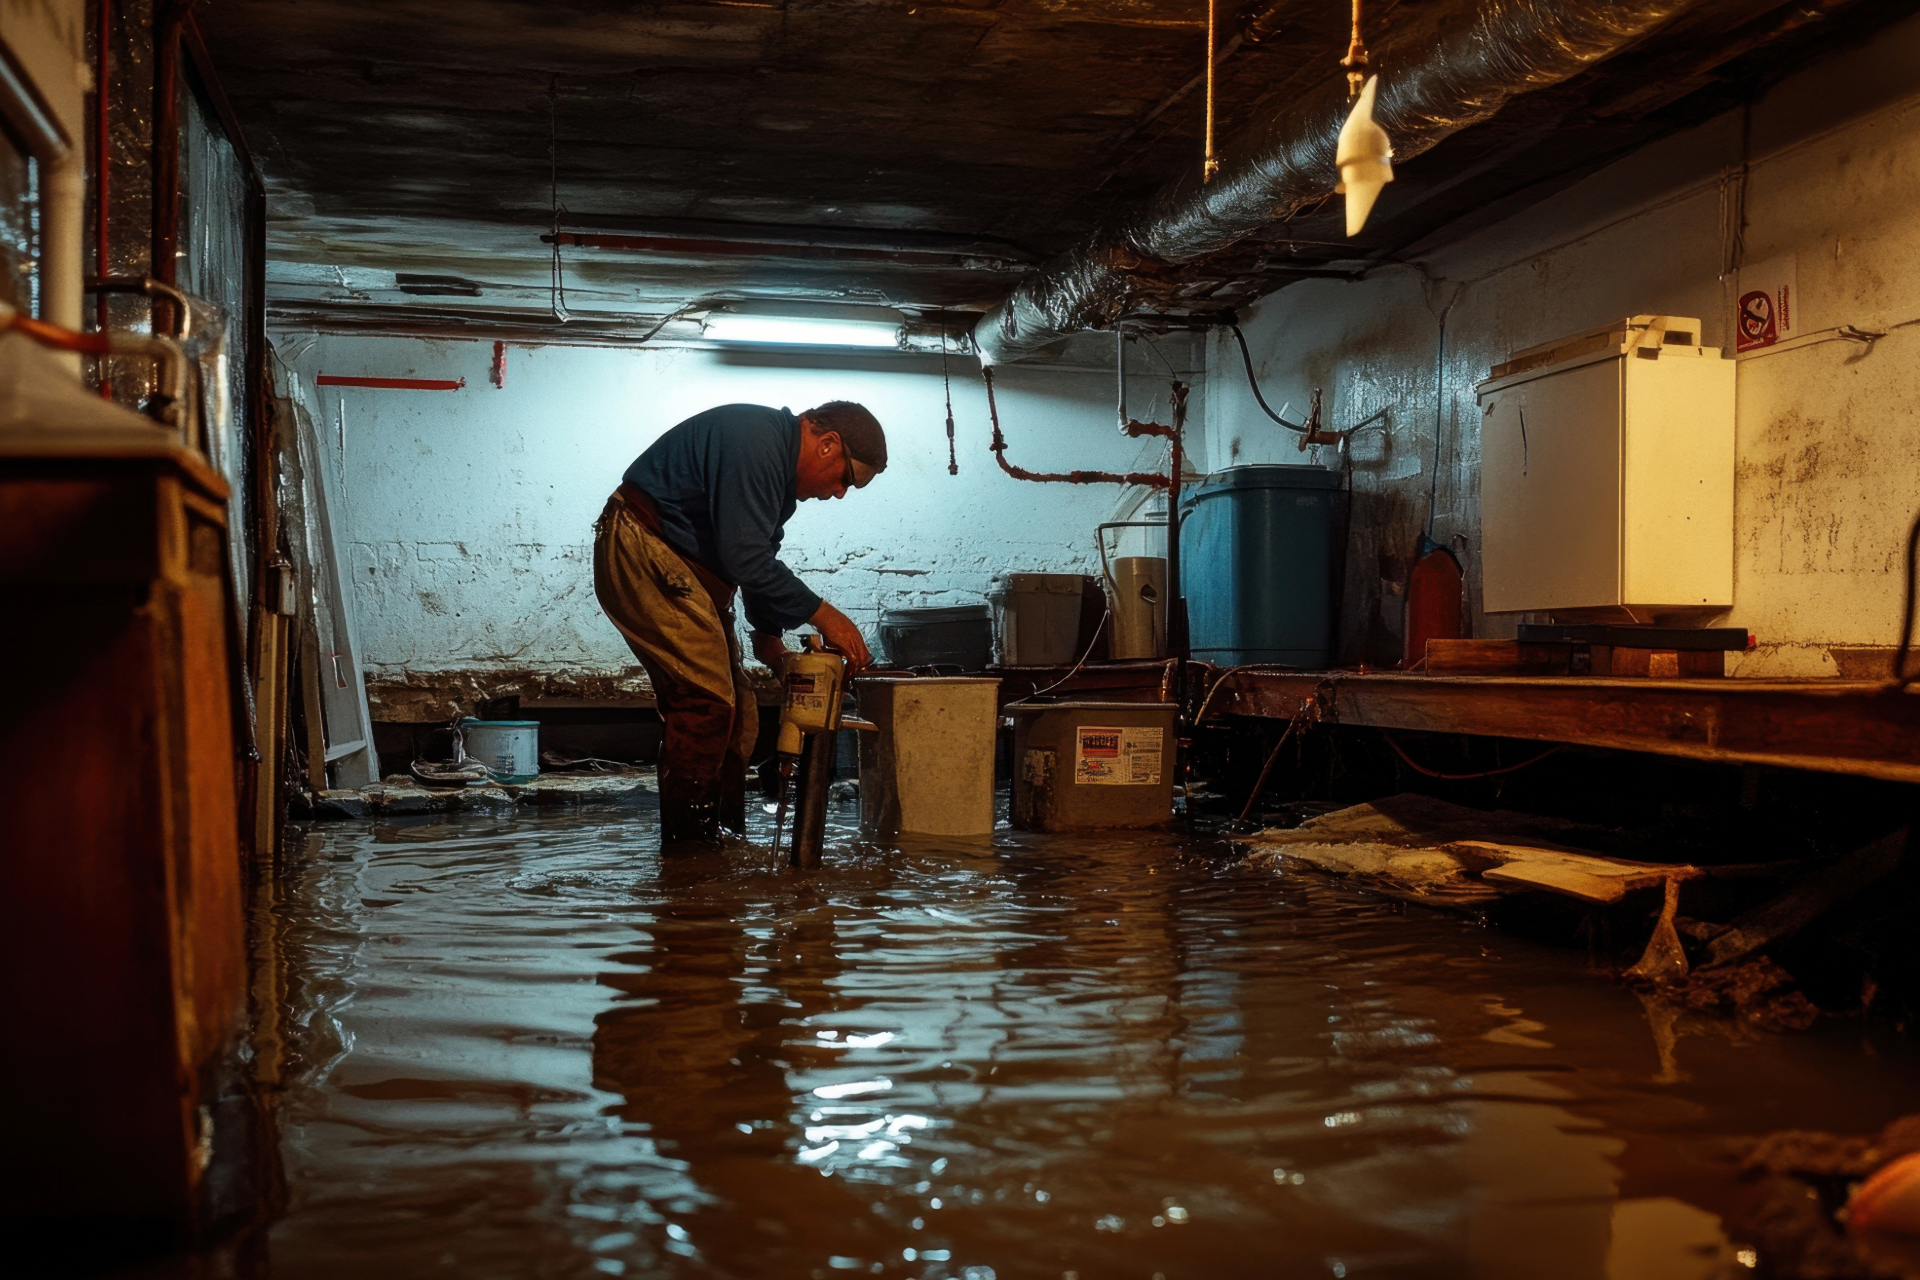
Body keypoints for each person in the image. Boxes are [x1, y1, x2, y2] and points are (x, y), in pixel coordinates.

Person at [594, 401, 883, 850]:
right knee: (706, 702)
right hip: (645, 544)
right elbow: (744, 556)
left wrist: (768, 639)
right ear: (827, 444)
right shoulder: (758, 440)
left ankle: (722, 837)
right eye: (846, 478)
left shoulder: (773, 472)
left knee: (739, 715)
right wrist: (828, 616)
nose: (841, 493)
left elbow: (755, 557)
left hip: (680, 562)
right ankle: (691, 856)